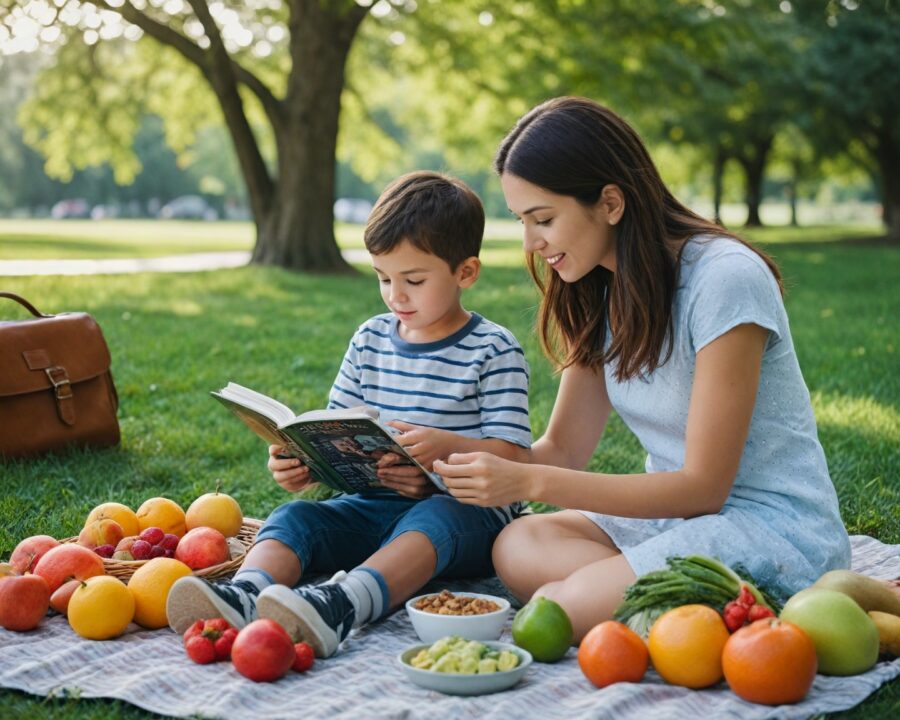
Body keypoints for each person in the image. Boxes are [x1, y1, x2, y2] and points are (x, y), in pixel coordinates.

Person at [432, 97, 852, 641]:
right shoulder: (599, 288)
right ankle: (693, 616)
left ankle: (719, 613)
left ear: (610, 202)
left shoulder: (724, 279)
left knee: (563, 607)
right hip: (674, 520)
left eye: (544, 220)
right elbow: (560, 452)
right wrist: (440, 450)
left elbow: (704, 488)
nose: (532, 244)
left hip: (768, 526)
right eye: (522, 221)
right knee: (518, 546)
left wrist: (529, 480)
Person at [167, 171, 532, 656]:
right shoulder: (370, 339)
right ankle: (246, 593)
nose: (395, 295)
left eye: (414, 280)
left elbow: (515, 459)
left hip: (467, 518)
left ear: (465, 272)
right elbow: (337, 432)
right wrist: (303, 463)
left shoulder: (494, 349)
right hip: (373, 507)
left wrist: (443, 453)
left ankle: (342, 602)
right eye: (384, 278)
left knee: (434, 519)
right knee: (296, 517)